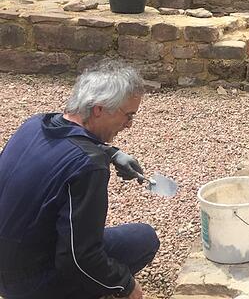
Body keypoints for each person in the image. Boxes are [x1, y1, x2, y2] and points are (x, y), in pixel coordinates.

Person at [0, 60, 159, 299]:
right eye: (128, 116)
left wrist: (112, 152)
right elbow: (77, 258)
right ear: (98, 110)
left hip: (8, 259)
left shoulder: (34, 124)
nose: (129, 125)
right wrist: (124, 284)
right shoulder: (89, 165)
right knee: (144, 239)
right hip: (27, 285)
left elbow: (68, 139)